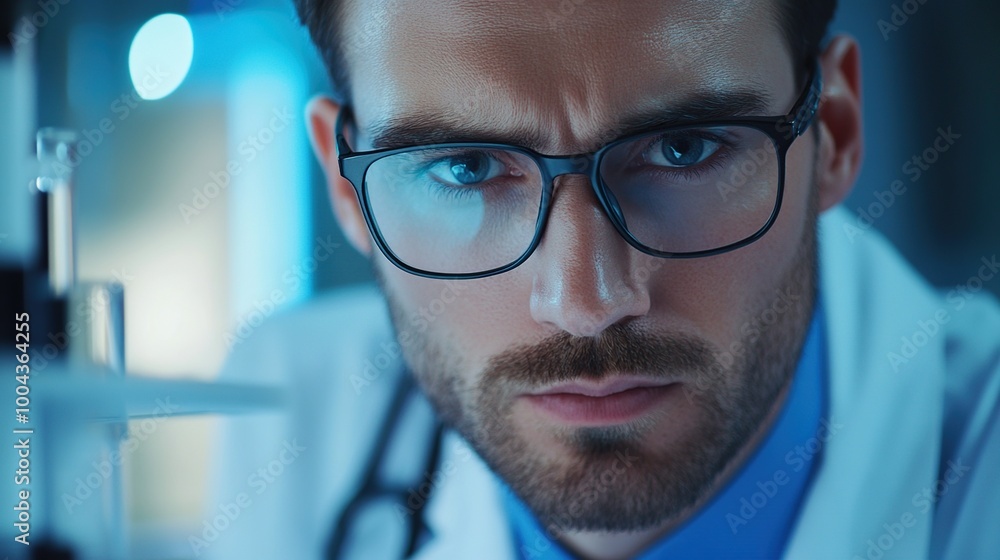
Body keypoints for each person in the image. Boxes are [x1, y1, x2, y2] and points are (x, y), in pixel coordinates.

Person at [203, 1, 1000, 559]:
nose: (584, 303)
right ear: (345, 188)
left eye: (683, 149)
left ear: (831, 135)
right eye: (466, 166)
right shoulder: (288, 414)